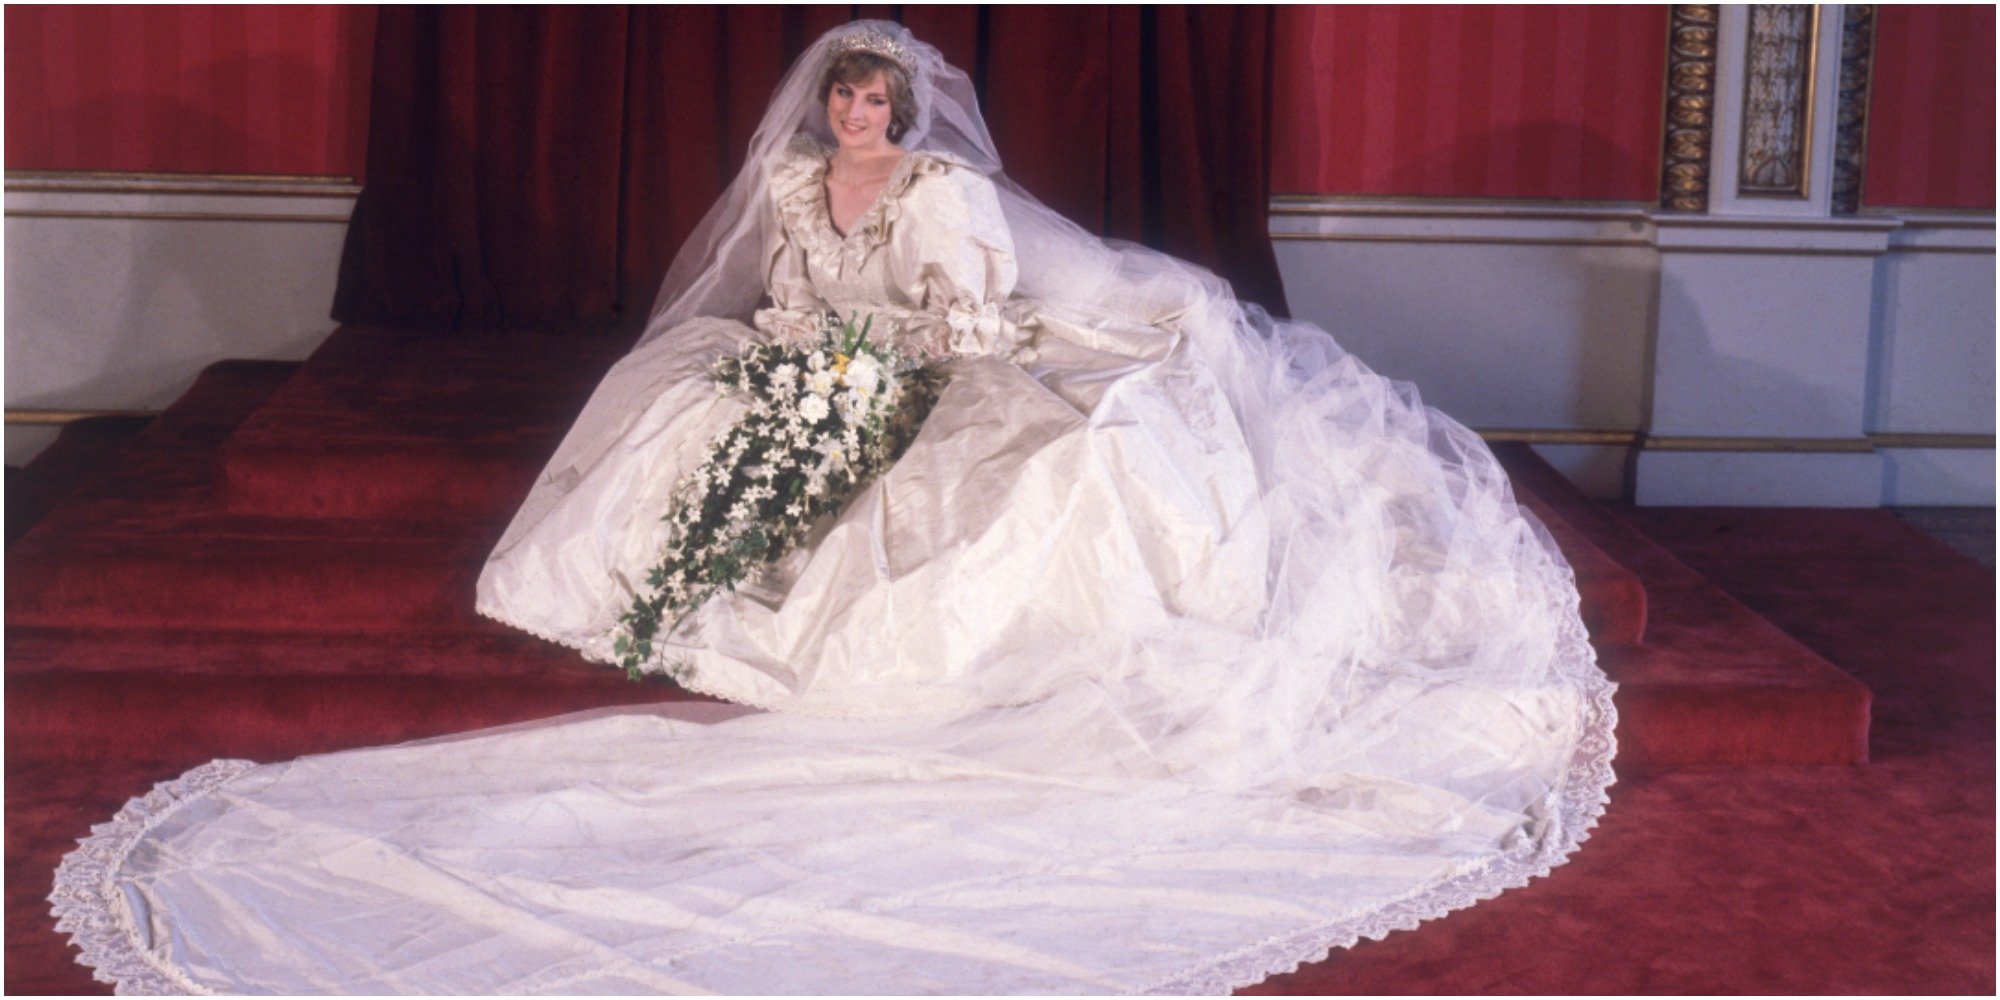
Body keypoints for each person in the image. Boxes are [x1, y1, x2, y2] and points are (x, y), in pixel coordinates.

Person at [53, 21, 1616, 995]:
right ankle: (658, 592)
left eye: (877, 104)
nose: (859, 122)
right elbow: (791, 289)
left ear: (904, 115)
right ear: (826, 118)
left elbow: (965, 317)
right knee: (685, 398)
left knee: (1000, 476)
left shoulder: (946, 199)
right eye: (844, 104)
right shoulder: (801, 194)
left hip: (952, 355)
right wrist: (802, 357)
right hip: (840, 358)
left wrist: (875, 368)